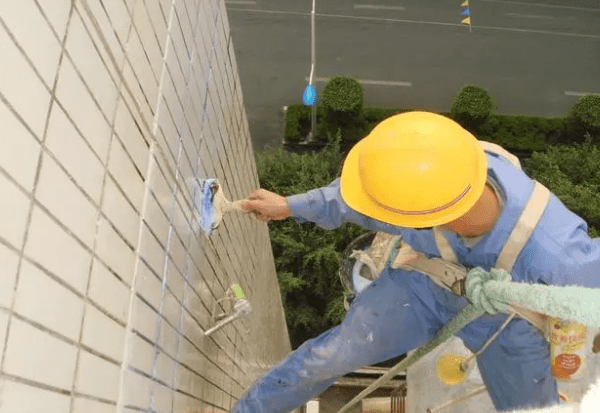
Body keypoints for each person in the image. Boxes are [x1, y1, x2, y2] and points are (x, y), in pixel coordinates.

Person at [233, 111, 600, 413]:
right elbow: (360, 196)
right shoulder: (433, 167)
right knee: (328, 358)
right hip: (426, 284)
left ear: (421, 218)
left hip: (508, 320)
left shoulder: (557, 254)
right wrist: (289, 205)